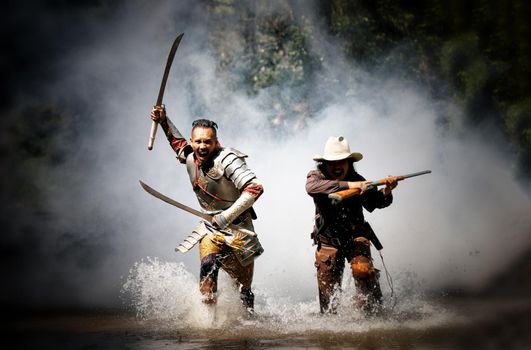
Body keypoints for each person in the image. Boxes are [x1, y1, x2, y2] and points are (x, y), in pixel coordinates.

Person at [150, 105, 264, 314]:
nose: (202, 146)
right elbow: (177, 144)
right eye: (198, 141)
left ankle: (248, 330)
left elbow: (255, 188)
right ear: (192, 142)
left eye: (207, 142)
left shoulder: (228, 159)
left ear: (215, 142)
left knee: (243, 290)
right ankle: (207, 324)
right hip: (211, 230)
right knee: (208, 271)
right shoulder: (190, 156)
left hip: (240, 230)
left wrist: (226, 216)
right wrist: (164, 121)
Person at [306, 136, 398, 314]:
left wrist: (387, 190)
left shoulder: (359, 178)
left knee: (363, 272)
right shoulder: (316, 177)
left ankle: (374, 315)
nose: (337, 166)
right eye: (332, 162)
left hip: (355, 238)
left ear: (349, 163)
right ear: (325, 163)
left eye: (342, 162)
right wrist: (352, 185)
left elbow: (375, 203)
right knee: (328, 300)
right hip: (327, 242)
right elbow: (312, 188)